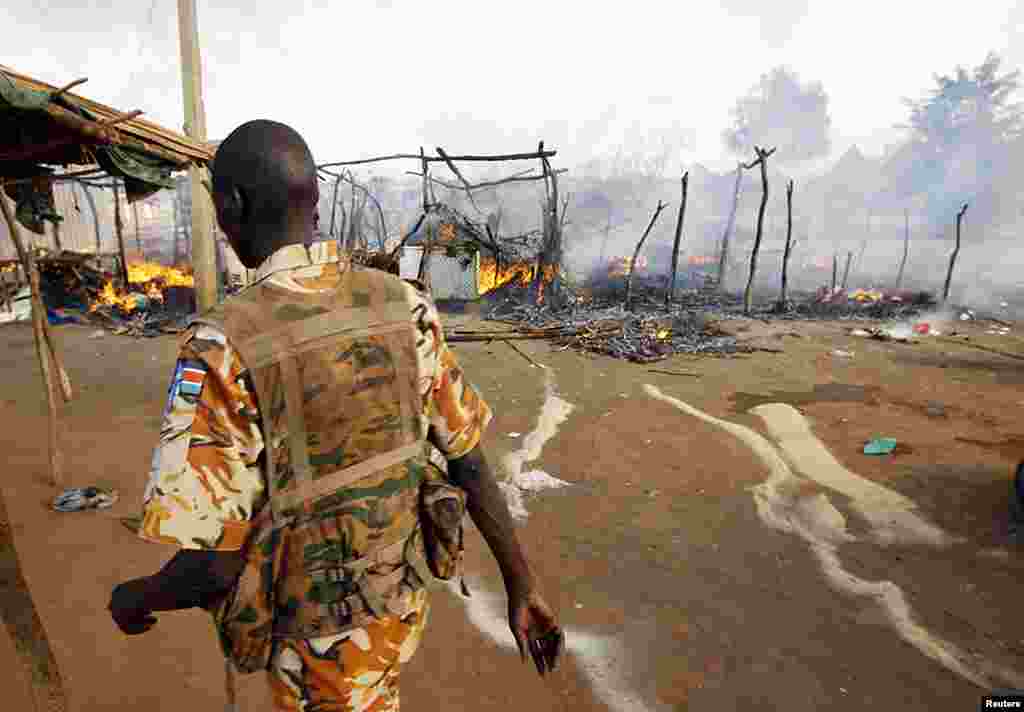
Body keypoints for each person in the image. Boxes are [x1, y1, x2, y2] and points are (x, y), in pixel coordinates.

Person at [109, 120, 562, 710]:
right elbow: (468, 459)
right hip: (398, 610)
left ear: (232, 205)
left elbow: (214, 564)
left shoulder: (221, 346)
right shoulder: (405, 305)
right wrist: (521, 582)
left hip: (315, 644)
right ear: (315, 203)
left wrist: (138, 596)